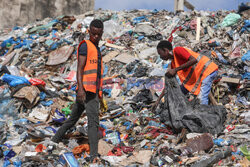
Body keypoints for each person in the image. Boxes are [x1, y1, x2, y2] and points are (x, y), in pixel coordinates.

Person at [52, 19, 104, 163]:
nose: (96, 37)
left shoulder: (96, 48)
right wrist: (80, 89)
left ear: (102, 34)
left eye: (99, 35)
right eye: (93, 34)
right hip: (86, 92)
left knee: (72, 119)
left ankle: (54, 140)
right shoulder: (85, 46)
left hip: (91, 91)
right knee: (93, 123)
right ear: (89, 32)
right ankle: (94, 156)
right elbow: (79, 69)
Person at [152, 40, 218, 110]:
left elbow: (193, 60)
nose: (160, 56)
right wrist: (158, 100)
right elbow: (168, 85)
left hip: (208, 69)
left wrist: (176, 70)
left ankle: (204, 117)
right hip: (199, 76)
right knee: (178, 92)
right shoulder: (173, 64)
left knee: (201, 98)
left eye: (160, 53)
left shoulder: (178, 50)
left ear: (166, 50)